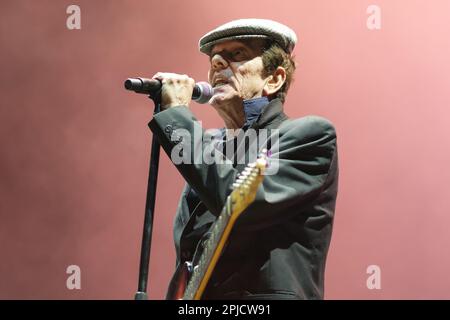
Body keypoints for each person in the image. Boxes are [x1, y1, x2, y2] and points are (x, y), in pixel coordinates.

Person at [148, 18, 339, 300]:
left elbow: (242, 206)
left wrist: (177, 115)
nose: (217, 64)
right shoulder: (210, 145)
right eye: (214, 59)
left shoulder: (308, 135)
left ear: (274, 79)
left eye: (236, 55)